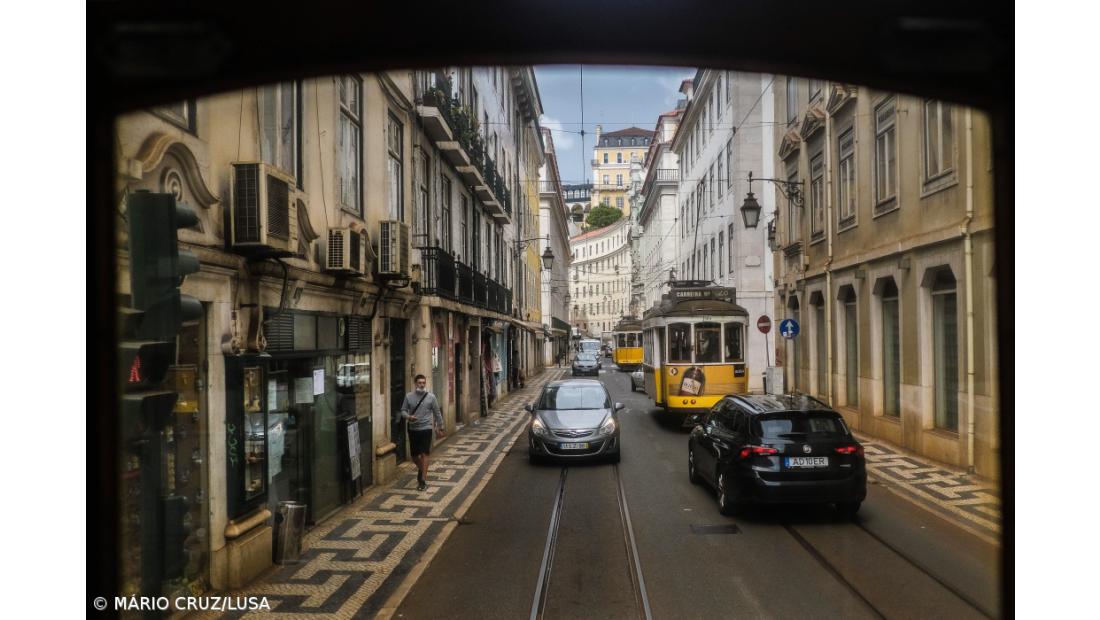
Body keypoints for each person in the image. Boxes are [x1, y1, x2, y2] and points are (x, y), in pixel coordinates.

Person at [399, 374, 444, 491]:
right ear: (415, 384)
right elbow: (403, 411)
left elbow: (437, 412)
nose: (422, 385)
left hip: (426, 428)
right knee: (414, 456)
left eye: (423, 383)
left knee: (425, 454)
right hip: (413, 428)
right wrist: (409, 417)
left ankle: (423, 480)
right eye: (419, 383)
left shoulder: (431, 397)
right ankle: (422, 469)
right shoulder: (408, 397)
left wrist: (441, 426)